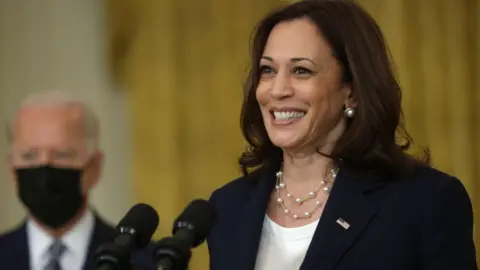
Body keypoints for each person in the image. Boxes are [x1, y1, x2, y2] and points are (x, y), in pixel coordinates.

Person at [206, 1, 477, 270]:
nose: (277, 90)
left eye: (301, 70)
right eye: (268, 70)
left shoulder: (425, 201)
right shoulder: (228, 208)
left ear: (352, 91)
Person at [0, 91, 154, 270]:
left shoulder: (148, 263)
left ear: (94, 167)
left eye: (61, 155)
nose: (44, 166)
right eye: (29, 156)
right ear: (12, 169)